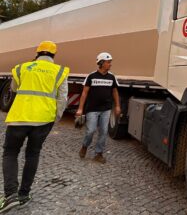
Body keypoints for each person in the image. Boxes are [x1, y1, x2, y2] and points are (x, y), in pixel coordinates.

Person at [0, 41, 69, 213]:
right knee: (33, 154)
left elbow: (14, 89)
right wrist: (56, 118)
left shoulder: (22, 68)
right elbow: (63, 99)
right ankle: (24, 194)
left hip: (19, 119)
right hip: (43, 120)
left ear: (37, 53)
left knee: (10, 153)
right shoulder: (60, 71)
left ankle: (10, 196)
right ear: (54, 55)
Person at [76, 52, 120, 164]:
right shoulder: (91, 76)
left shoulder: (111, 77)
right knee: (91, 130)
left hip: (106, 109)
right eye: (108, 62)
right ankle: (85, 146)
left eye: (110, 62)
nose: (110, 64)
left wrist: (118, 106)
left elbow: (115, 92)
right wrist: (80, 109)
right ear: (101, 63)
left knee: (104, 131)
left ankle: (99, 153)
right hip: (92, 109)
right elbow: (84, 93)